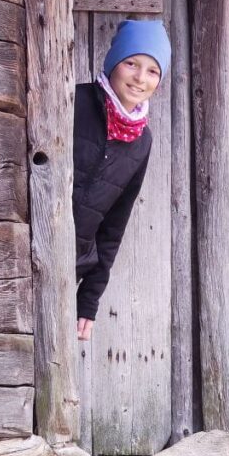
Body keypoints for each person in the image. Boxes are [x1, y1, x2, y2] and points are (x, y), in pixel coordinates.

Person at [74, 19, 171, 342]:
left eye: (153, 71)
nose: (140, 78)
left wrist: (88, 301)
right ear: (114, 61)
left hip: (68, 268)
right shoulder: (74, 102)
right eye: (132, 63)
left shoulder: (142, 141)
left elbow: (114, 226)